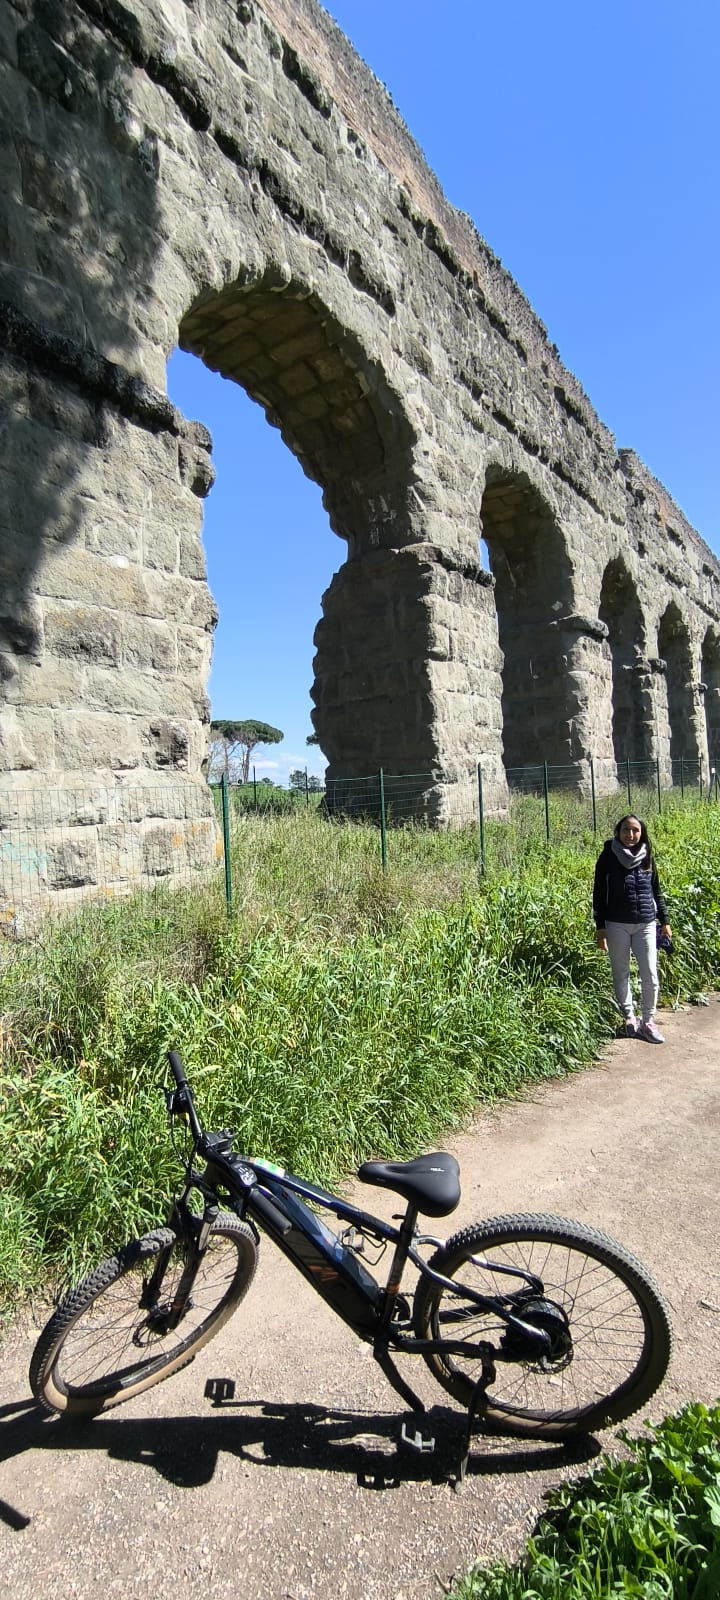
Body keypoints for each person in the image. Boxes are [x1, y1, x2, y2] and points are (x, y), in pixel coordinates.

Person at [593, 814, 672, 1043]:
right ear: (618, 832)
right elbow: (598, 892)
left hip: (646, 923)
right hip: (616, 923)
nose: (630, 835)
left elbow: (656, 890)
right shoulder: (608, 856)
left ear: (641, 833)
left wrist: (664, 921)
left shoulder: (647, 855)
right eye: (626, 830)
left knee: (650, 973)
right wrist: (600, 928)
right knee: (621, 972)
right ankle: (629, 1018)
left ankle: (648, 1021)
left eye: (635, 830)